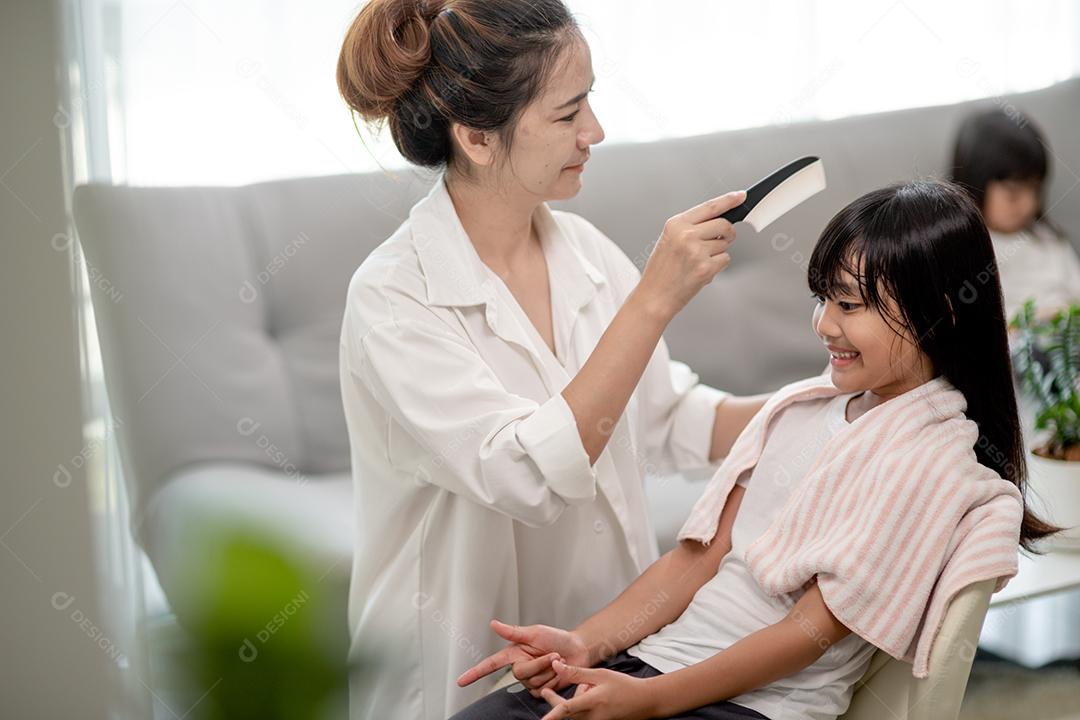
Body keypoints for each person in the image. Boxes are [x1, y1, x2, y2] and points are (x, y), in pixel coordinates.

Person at [454, 180, 1060, 720]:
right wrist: (586, 645)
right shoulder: (798, 408)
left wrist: (650, 700)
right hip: (659, 664)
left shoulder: (932, 461)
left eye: (851, 304)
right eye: (823, 298)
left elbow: (810, 630)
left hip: (754, 705)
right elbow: (697, 559)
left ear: (943, 312)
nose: (824, 324)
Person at [335, 1, 770, 717]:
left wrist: (827, 399)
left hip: (598, 659)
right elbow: (527, 473)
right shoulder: (394, 298)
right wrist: (653, 300)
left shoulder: (585, 250)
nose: (594, 132)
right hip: (454, 678)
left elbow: (666, 418)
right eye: (569, 114)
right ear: (477, 135)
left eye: (591, 101)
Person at [951, 107, 1080, 323]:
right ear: (975, 183)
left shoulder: (1047, 237)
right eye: (1013, 192)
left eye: (1035, 189)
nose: (1029, 204)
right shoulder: (967, 250)